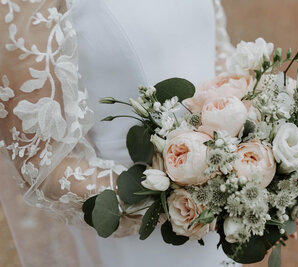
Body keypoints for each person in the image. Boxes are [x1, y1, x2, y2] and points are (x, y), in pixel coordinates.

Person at [0, 0, 235, 266]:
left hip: (224, 221)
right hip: (145, 239)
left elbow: (217, 54)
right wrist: (171, 194)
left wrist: (269, 164)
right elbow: (41, 164)